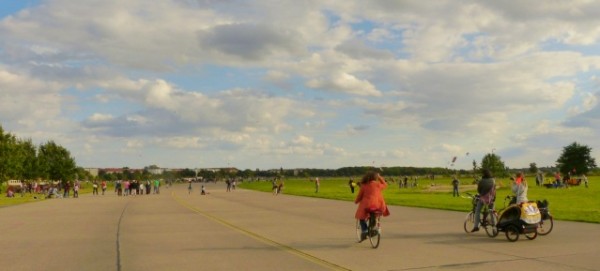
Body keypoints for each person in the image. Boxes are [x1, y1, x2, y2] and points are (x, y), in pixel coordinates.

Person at [354, 171, 390, 241]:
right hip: (378, 205)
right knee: (375, 215)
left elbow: (359, 196)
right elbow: (385, 184)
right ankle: (373, 228)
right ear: (375, 177)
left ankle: (365, 231)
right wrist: (380, 177)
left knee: (361, 217)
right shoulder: (378, 185)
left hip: (367, 205)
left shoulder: (364, 185)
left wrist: (356, 201)